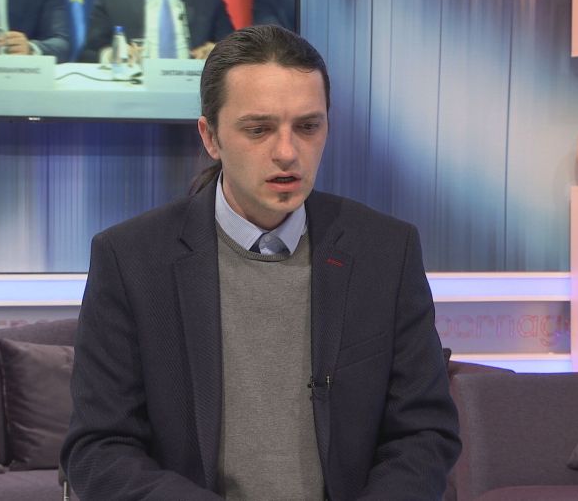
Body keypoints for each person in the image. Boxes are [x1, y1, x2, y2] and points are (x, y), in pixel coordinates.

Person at [61, 25, 461, 500]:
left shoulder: (386, 251)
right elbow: (99, 449)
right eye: (259, 129)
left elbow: (424, 433)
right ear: (211, 137)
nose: (287, 152)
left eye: (307, 127)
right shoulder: (130, 259)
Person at [78, 0, 234, 63]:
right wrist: (114, 55)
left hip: (197, 91)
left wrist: (217, 52)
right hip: (134, 91)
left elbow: (236, 48)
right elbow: (89, 54)